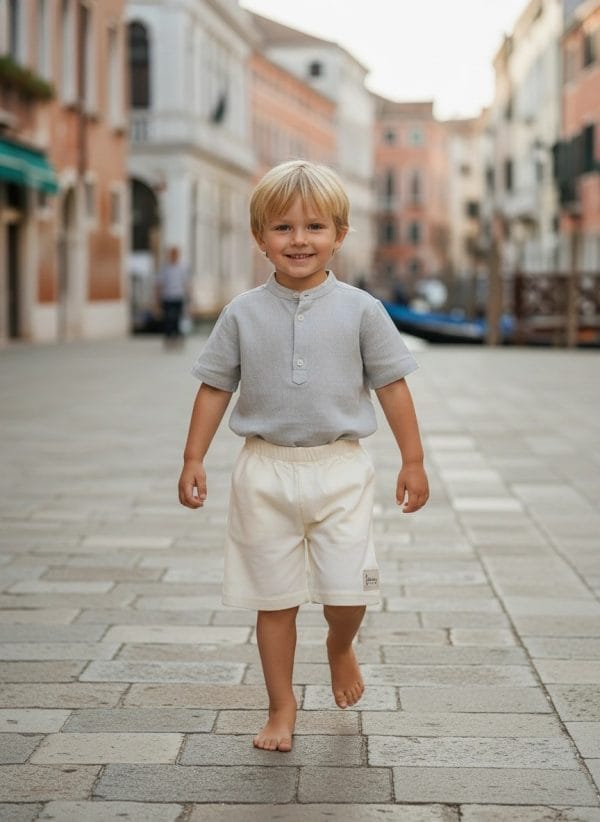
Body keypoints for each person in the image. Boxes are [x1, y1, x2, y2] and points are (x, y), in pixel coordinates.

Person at [178, 160, 429, 753]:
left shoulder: (363, 310)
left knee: (349, 593)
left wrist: (412, 460)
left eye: (314, 227)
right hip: (262, 470)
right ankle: (281, 705)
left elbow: (393, 386)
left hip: (340, 469)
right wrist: (193, 458)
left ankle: (339, 647)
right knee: (274, 598)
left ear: (339, 235)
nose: (299, 240)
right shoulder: (241, 312)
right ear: (260, 237)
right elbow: (215, 387)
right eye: (283, 228)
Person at [156, 246, 189, 346]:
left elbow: (186, 283)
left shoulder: (182, 268)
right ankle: (169, 337)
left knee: (177, 318)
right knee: (168, 318)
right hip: (168, 297)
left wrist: (189, 299)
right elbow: (159, 284)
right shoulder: (165, 268)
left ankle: (177, 336)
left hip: (178, 296)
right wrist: (157, 299)